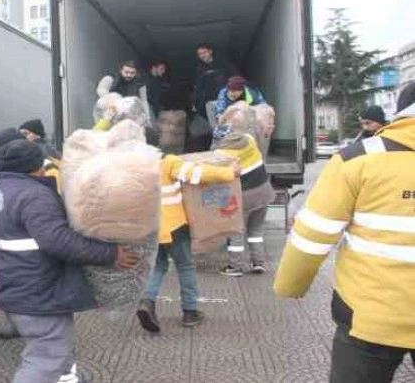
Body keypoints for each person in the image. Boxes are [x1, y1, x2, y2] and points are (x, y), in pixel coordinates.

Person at [274, 82, 415, 383]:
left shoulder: (358, 158)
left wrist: (291, 285)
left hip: (370, 315)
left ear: (399, 112)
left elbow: (312, 235)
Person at [0, 139, 140, 383]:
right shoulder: (34, 195)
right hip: (37, 291)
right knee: (47, 355)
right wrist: (110, 254)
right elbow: (57, 240)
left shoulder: (4, 187)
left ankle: (68, 379)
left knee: (57, 343)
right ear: (37, 164)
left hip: (16, 283)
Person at [137, 142, 239, 332]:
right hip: (174, 225)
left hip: (150, 227)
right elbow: (197, 174)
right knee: (185, 266)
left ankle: (147, 302)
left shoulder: (136, 167)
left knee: (158, 265)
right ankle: (190, 312)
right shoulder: (168, 162)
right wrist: (229, 172)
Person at [212, 124, 275, 276]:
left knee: (236, 231)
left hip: (244, 196)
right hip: (264, 192)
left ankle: (235, 266)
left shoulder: (221, 153)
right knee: (256, 230)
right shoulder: (249, 140)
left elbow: (219, 176)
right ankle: (258, 263)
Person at [194, 44, 238, 119]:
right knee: (215, 123)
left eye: (204, 52)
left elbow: (236, 77)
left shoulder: (223, 63)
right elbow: (199, 87)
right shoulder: (199, 69)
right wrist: (196, 103)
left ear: (210, 51)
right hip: (211, 101)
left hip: (227, 99)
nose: (202, 55)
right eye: (200, 54)